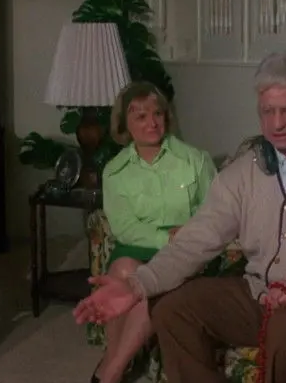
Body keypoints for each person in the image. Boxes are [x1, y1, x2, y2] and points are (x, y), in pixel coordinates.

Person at [74, 51, 286, 383]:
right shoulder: (242, 173)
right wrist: (135, 286)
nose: (276, 124)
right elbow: (195, 241)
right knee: (171, 309)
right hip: (259, 295)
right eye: (267, 111)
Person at [92, 82, 218, 383]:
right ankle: (114, 357)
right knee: (123, 270)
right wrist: (165, 237)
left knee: (154, 280)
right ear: (124, 124)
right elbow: (124, 227)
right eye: (141, 116)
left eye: (157, 114)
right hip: (139, 246)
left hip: (186, 251)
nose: (152, 123)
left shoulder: (195, 160)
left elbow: (217, 213)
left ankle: (111, 371)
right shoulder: (115, 171)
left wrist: (184, 236)